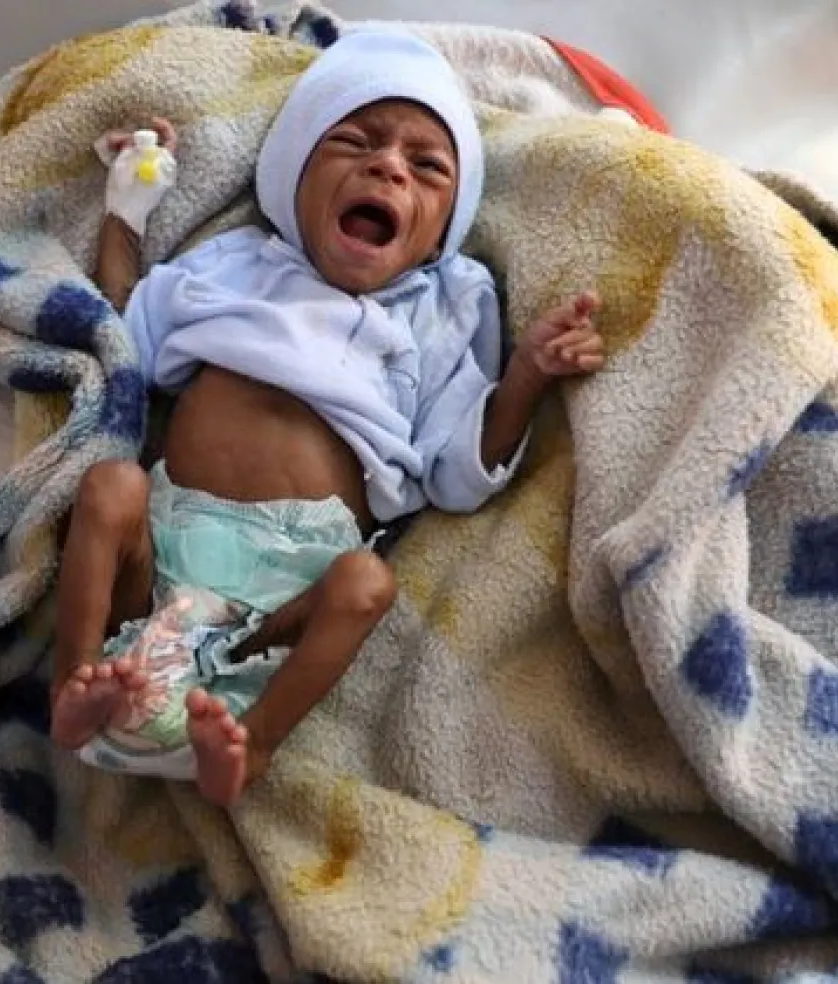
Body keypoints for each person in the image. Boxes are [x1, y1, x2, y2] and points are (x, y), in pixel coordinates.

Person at [49, 29, 605, 807]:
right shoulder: (239, 261)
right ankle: (76, 682)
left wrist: (525, 378)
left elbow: (454, 468)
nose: (387, 166)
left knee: (367, 583)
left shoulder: (446, 307)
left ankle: (254, 746)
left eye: (427, 167)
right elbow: (125, 327)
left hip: (291, 593)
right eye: (355, 142)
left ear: (446, 226)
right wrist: (128, 203)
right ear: (293, 176)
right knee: (110, 487)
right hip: (164, 556)